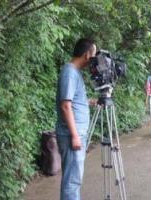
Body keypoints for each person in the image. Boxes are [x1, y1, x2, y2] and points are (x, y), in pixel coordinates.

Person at [55, 38, 97, 200]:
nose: (94, 59)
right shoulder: (70, 73)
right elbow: (65, 105)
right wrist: (75, 136)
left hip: (75, 132)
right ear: (87, 55)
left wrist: (88, 102)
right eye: (93, 55)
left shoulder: (73, 72)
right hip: (71, 134)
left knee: (74, 179)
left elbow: (72, 101)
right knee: (72, 181)